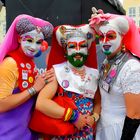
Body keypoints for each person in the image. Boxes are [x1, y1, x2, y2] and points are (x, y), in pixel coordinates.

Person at [34, 24, 101, 139]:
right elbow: (41, 103)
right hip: (64, 133)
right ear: (65, 51)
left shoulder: (94, 74)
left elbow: (98, 102)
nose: (78, 51)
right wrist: (73, 116)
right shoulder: (57, 72)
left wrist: (94, 117)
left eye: (82, 46)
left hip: (86, 134)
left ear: (88, 50)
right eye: (72, 47)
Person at [0, 14, 54, 140]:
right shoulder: (11, 63)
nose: (33, 47)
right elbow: (1, 104)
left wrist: (42, 82)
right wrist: (34, 89)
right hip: (8, 134)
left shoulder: (30, 62)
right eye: (29, 40)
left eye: (38, 42)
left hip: (24, 132)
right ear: (19, 39)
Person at [89, 7, 140, 140]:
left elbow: (135, 114)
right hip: (103, 128)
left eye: (110, 36)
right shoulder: (107, 61)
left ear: (122, 37)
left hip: (121, 132)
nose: (104, 41)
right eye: (101, 36)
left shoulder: (132, 67)